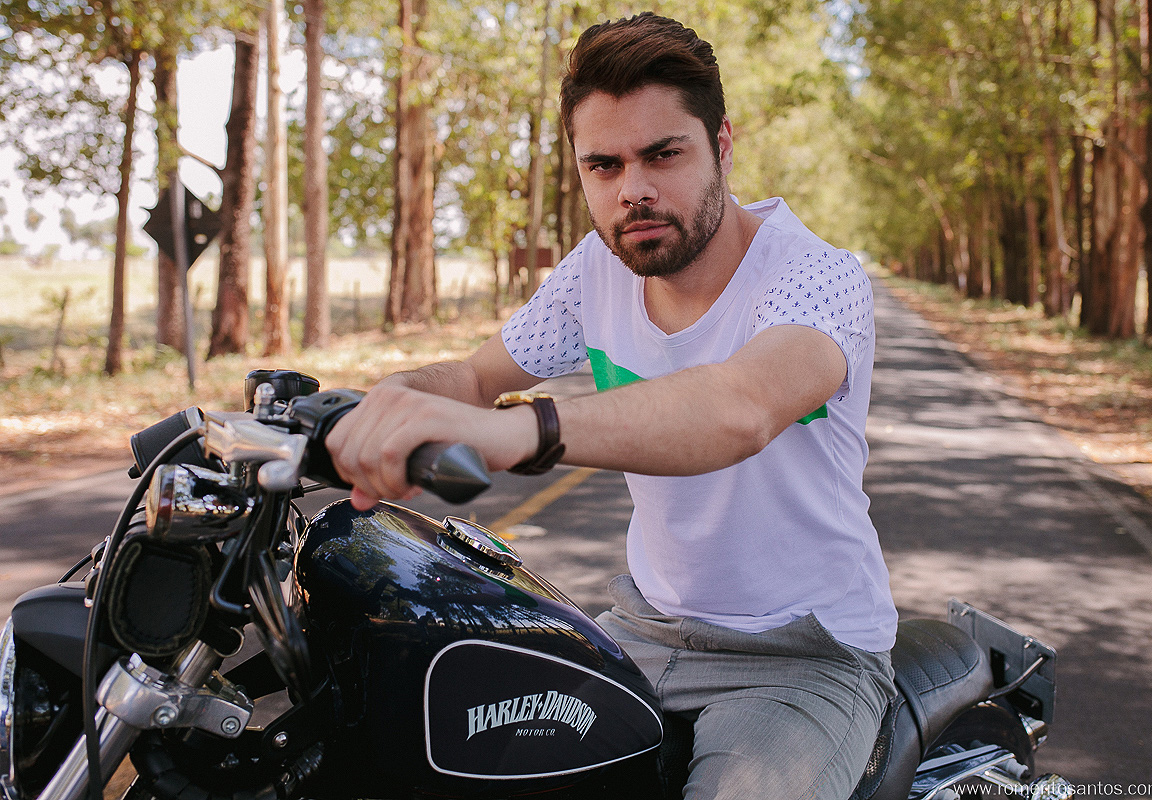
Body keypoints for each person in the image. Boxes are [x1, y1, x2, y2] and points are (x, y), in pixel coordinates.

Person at [326, 11, 897, 800]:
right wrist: (368, 408)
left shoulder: (816, 276)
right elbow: (469, 376)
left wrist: (513, 433)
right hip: (644, 627)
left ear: (722, 143)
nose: (634, 190)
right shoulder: (595, 270)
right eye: (604, 165)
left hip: (801, 653)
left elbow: (740, 407)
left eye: (663, 154)